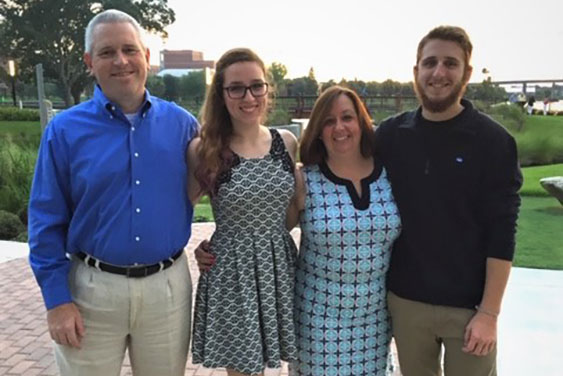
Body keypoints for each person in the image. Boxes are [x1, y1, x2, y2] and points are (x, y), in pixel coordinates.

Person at [28, 9, 198, 376]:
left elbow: (216, 191)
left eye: (129, 49)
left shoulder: (184, 126)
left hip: (167, 291)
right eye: (107, 52)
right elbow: (45, 221)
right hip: (90, 291)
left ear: (147, 57)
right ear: (90, 62)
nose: (121, 61)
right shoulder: (64, 131)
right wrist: (57, 301)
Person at [376, 26, 522, 376]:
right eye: (429, 63)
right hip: (406, 301)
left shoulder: (493, 142)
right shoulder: (390, 136)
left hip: (469, 308)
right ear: (416, 72)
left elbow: (503, 233)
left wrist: (490, 313)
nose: (438, 73)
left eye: (450, 64)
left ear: (466, 74)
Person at [188, 48, 299, 376]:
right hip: (232, 273)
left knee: (290, 362)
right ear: (221, 95)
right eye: (236, 88)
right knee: (244, 371)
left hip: (280, 267)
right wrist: (196, 248)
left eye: (256, 86)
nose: (248, 96)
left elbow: (288, 218)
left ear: (268, 89)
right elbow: (181, 210)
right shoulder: (204, 149)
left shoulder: (287, 142)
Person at [287, 85, 402, 375]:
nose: (339, 127)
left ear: (361, 122)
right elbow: (268, 234)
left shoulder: (390, 175)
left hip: (375, 316)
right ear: (318, 130)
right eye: (328, 121)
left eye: (347, 117)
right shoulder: (304, 180)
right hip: (319, 317)